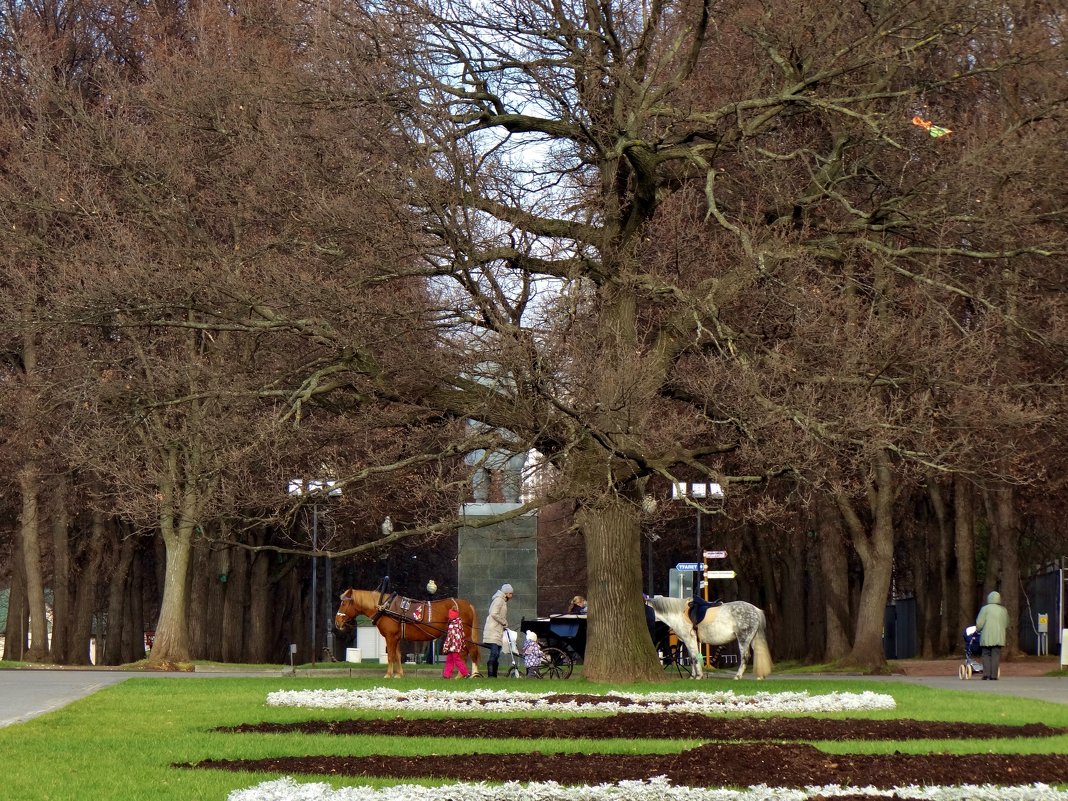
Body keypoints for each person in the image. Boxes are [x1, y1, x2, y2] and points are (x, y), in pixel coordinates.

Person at [975, 590, 1008, 680]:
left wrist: (977, 629)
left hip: (987, 635)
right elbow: (1006, 623)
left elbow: (979, 623)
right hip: (999, 636)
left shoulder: (985, 609)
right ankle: (994, 675)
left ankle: (986, 674)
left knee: (986, 654)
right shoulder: (1003, 610)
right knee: (996, 655)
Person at [482, 583, 513, 678]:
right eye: (511, 593)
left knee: (497, 653)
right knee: (494, 653)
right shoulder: (499, 600)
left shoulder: (502, 600)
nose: (511, 596)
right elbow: (494, 613)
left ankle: (494, 675)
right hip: (493, 629)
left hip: (497, 630)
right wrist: (504, 622)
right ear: (506, 593)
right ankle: (491, 675)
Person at [441, 608, 471, 679]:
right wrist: (462, 645)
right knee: (450, 660)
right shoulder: (459, 624)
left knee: (455, 660)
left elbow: (449, 637)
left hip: (453, 646)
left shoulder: (452, 625)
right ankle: (446, 675)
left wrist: (445, 647)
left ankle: (465, 673)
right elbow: (462, 635)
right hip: (457, 646)